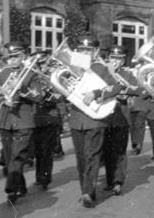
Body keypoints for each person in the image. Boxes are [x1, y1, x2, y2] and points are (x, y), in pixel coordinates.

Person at [67, 36, 121, 208]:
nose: (84, 53)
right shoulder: (71, 68)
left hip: (95, 120)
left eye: (88, 50)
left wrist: (97, 94)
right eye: (81, 50)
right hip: (77, 119)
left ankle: (87, 193)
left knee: (92, 156)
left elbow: (116, 87)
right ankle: (86, 189)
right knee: (81, 159)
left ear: (95, 52)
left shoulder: (100, 68)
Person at [0, 42, 43, 203]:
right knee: (10, 158)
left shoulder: (31, 74)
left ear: (23, 57)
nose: (12, 60)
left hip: (23, 119)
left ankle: (11, 189)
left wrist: (21, 89)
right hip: (5, 119)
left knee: (18, 155)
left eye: (16, 57)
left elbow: (38, 96)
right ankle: (20, 186)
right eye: (9, 57)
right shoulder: (2, 73)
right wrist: (2, 97)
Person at [102, 45, 139, 195]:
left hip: (121, 117)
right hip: (104, 116)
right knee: (106, 150)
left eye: (119, 59)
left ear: (123, 61)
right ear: (109, 59)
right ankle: (110, 180)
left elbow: (136, 89)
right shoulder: (103, 72)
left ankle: (118, 181)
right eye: (113, 58)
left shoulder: (128, 74)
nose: (115, 62)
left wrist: (123, 88)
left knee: (120, 150)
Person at [31, 50, 63, 189]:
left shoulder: (52, 76)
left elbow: (60, 96)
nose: (41, 66)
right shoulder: (31, 77)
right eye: (39, 64)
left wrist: (46, 95)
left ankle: (44, 177)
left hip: (50, 117)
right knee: (37, 150)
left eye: (43, 63)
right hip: (34, 117)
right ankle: (39, 176)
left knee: (47, 150)